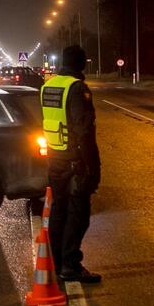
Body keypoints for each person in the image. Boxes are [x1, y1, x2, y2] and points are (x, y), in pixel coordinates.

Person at [40, 45, 102, 283]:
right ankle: (70, 265)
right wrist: (93, 168)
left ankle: (55, 262)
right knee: (79, 214)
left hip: (55, 158)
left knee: (58, 211)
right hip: (75, 161)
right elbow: (84, 132)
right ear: (82, 63)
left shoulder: (48, 86)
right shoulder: (77, 89)